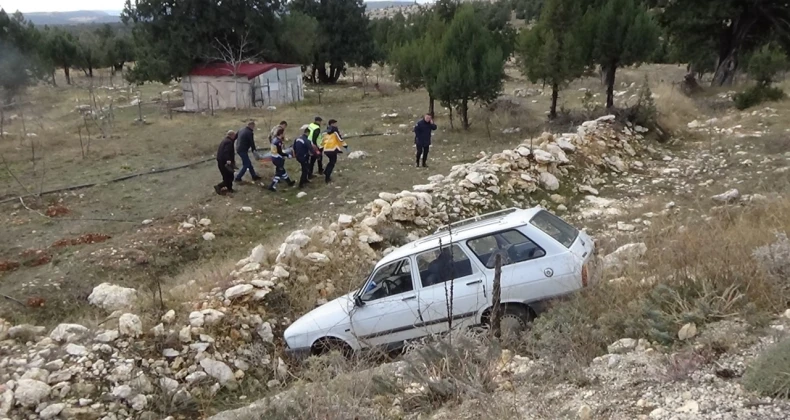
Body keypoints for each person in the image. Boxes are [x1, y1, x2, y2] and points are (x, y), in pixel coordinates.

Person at [267, 127, 295, 191]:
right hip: (278, 159)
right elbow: (280, 152)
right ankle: (271, 186)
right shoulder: (278, 142)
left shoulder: (274, 139)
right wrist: (287, 155)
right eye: (283, 133)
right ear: (281, 134)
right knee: (279, 173)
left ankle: (289, 182)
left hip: (274, 157)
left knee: (282, 171)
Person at [321, 119, 347, 184]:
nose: (336, 125)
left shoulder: (325, 132)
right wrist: (346, 146)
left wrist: (321, 147)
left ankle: (326, 171)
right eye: (335, 123)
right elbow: (340, 139)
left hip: (326, 150)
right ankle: (327, 176)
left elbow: (322, 140)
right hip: (333, 149)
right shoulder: (335, 131)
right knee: (332, 162)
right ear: (332, 124)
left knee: (331, 161)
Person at [214, 130, 237, 195]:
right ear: (231, 135)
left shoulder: (225, 140)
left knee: (228, 176)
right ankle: (219, 186)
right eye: (234, 135)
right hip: (224, 162)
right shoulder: (229, 142)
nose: (235, 137)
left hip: (221, 161)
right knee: (229, 176)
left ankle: (230, 189)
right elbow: (226, 152)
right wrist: (228, 160)